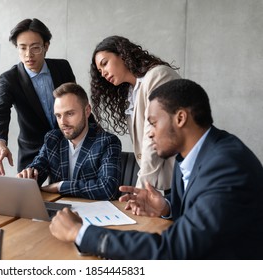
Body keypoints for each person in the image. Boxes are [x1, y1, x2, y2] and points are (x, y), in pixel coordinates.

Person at [49, 79, 263, 259]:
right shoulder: (192, 154)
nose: (149, 133)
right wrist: (167, 208)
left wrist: (80, 232)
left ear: (180, 118)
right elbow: (202, 217)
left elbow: (173, 250)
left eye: (152, 122)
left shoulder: (226, 166)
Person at [90, 36, 181, 193]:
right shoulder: (132, 94)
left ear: (122, 54)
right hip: (161, 184)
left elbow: (153, 138)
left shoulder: (158, 77)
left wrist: (141, 189)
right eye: (99, 71)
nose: (103, 73)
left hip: (180, 178)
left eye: (105, 63)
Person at [0, 18, 76, 175]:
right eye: (22, 48)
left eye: (35, 48)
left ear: (46, 46)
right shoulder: (10, 78)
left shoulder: (62, 68)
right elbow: (0, 111)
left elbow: (76, 104)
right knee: (26, 197)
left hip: (66, 147)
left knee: (67, 194)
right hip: (32, 152)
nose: (28, 55)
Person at [17, 82, 121, 200]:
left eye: (70, 114)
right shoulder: (53, 139)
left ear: (87, 111)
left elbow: (108, 189)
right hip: (58, 213)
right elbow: (37, 169)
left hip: (93, 214)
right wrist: (28, 177)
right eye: (58, 115)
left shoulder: (107, 142)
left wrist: (60, 186)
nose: (63, 122)